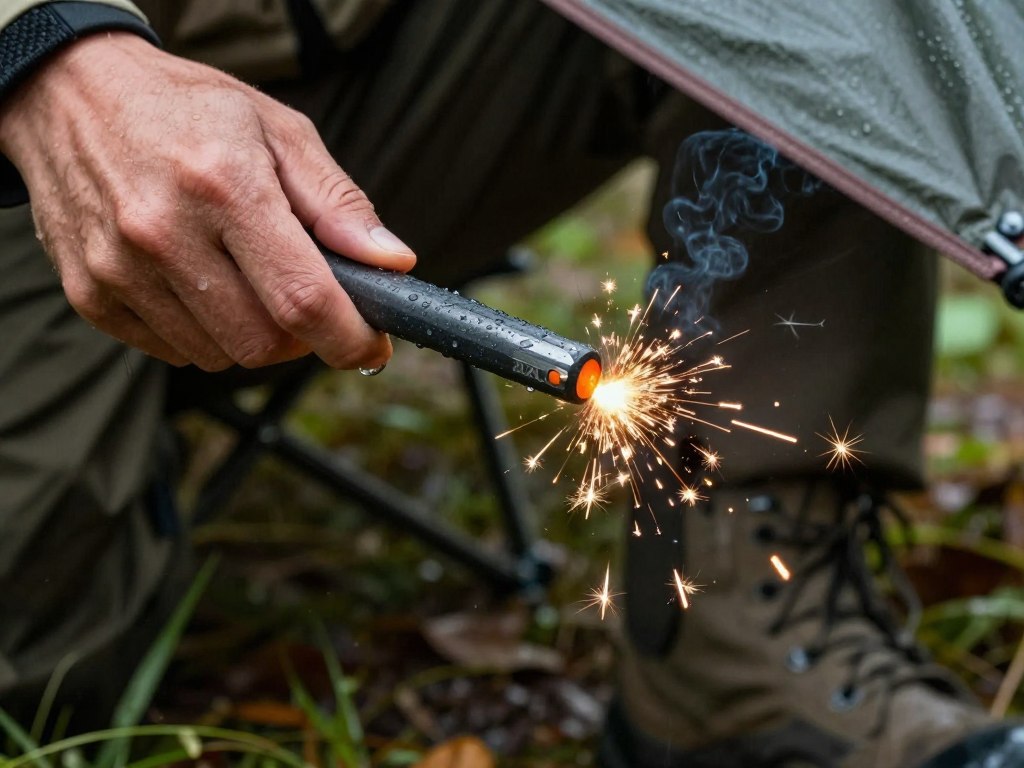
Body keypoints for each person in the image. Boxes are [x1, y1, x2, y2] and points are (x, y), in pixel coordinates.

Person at [1, 1, 1021, 765]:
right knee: (40, 676)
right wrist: (48, 47)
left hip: (373, 50)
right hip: (36, 113)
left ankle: (739, 644)